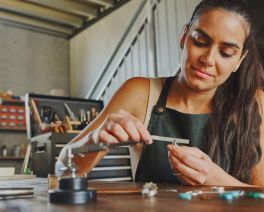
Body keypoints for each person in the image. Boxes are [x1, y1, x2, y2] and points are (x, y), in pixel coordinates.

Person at [57, 0, 264, 186]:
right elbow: (61, 171)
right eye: (200, 42)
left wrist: (216, 179)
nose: (208, 59)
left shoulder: (256, 103)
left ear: (239, 60)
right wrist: (94, 140)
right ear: (184, 36)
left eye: (226, 53)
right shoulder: (140, 93)